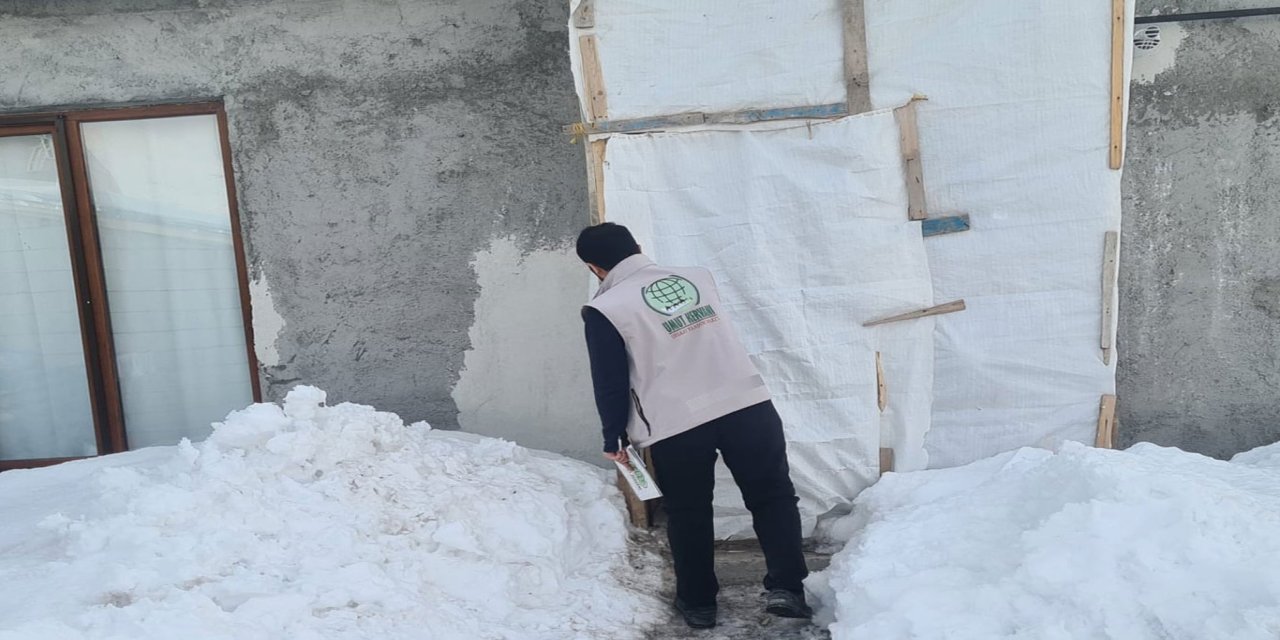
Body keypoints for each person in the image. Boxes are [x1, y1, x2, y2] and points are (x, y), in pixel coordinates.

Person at [576, 222, 811, 629]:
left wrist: (612, 433)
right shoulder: (698, 279)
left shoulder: (605, 308)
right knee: (773, 496)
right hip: (747, 405)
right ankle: (787, 589)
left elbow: (610, 378)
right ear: (638, 247)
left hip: (677, 421)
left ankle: (699, 603)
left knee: (689, 512)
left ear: (594, 268)